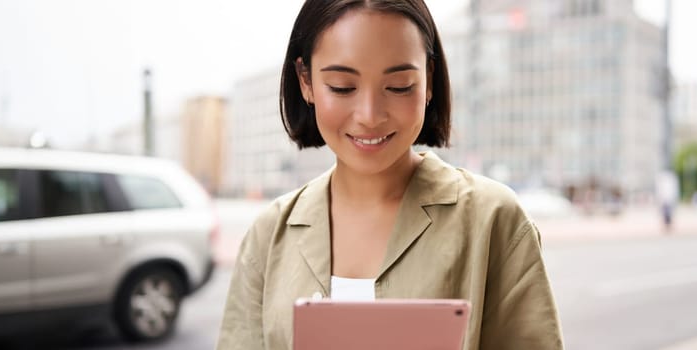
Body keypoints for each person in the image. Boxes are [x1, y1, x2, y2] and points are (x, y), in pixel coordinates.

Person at [216, 1, 563, 349]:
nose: (369, 115)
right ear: (306, 82)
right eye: (342, 87)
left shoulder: (492, 220)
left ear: (429, 81)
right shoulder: (268, 236)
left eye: (398, 86)